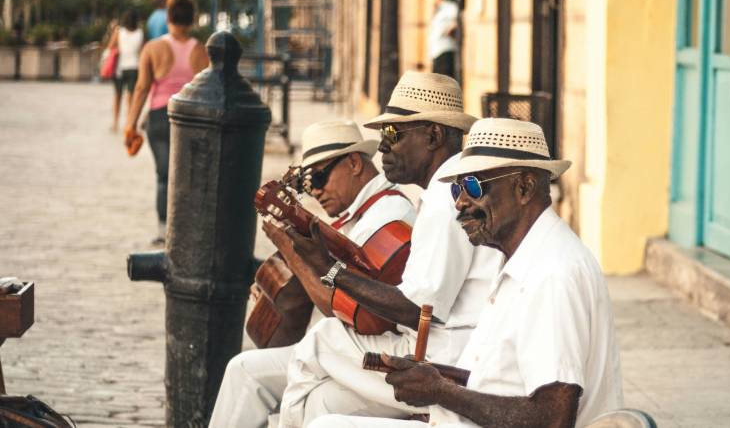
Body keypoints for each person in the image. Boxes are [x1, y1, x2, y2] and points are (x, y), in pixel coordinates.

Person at [309, 118, 623, 428]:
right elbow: (502, 381)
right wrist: (433, 379)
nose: (459, 201)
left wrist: (441, 392)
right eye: (458, 187)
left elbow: (552, 417)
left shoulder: (552, 273)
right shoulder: (523, 258)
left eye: (473, 185)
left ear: (524, 187)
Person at [276, 72, 505, 427]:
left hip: (445, 358)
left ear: (434, 135)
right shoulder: (446, 188)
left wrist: (330, 269)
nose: (383, 147)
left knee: (321, 340)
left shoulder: (451, 194)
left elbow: (418, 310)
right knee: (321, 400)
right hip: (443, 346)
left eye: (394, 134)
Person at [208, 120, 417, 428]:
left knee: (306, 396)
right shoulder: (357, 217)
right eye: (307, 184)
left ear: (354, 163)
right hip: (347, 346)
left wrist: (292, 252)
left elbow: (340, 308)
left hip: (376, 352)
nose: (315, 191)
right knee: (243, 370)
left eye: (319, 177)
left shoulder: (387, 218)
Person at [124, 0, 209, 245]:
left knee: (164, 175)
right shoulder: (202, 51)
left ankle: (163, 231)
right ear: (193, 19)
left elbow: (141, 89)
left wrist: (130, 124)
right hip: (192, 118)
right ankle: (189, 228)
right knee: (191, 176)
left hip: (160, 117)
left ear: (168, 16)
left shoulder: (153, 48)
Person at [107, 10, 143, 132]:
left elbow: (110, 46)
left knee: (118, 96)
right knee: (131, 97)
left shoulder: (119, 32)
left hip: (120, 68)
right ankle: (129, 123)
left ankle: (115, 123)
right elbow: (141, 51)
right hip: (134, 67)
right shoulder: (140, 33)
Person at [428, 0, 462, 78]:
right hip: (437, 51)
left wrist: (449, 30)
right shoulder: (441, 8)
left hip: (445, 49)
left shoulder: (451, 7)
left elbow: (455, 22)